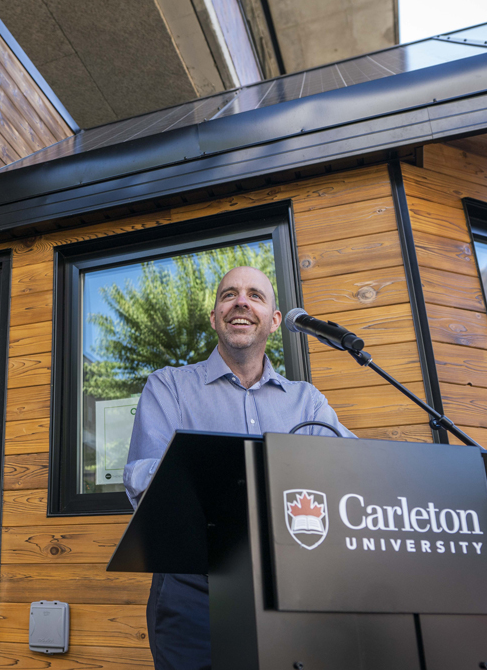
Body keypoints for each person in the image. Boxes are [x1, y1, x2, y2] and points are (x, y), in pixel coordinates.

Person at [123, 265, 354, 670]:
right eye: (229, 294)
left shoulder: (307, 402)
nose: (241, 302)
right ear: (214, 317)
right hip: (194, 587)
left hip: (292, 584)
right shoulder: (169, 387)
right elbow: (145, 482)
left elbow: (354, 473)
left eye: (255, 295)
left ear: (275, 321)